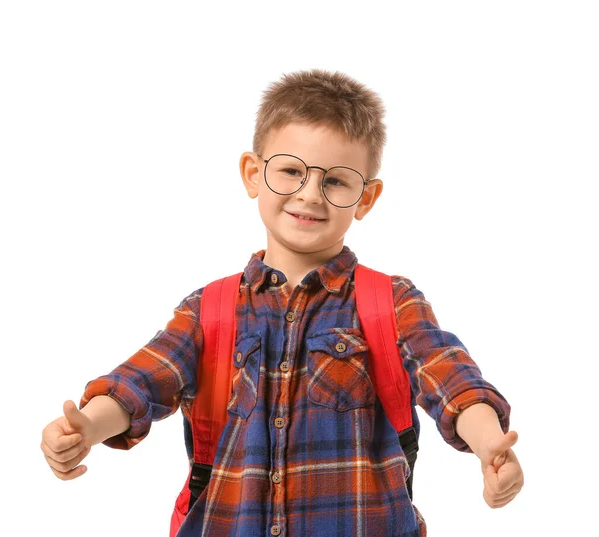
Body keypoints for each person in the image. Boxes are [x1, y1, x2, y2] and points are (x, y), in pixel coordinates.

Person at [40, 69, 524, 536]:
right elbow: (142, 381)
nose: (310, 194)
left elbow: (451, 376)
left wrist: (488, 445)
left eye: (336, 180)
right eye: (291, 170)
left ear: (366, 197)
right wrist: (89, 427)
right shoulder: (209, 309)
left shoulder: (390, 302)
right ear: (253, 174)